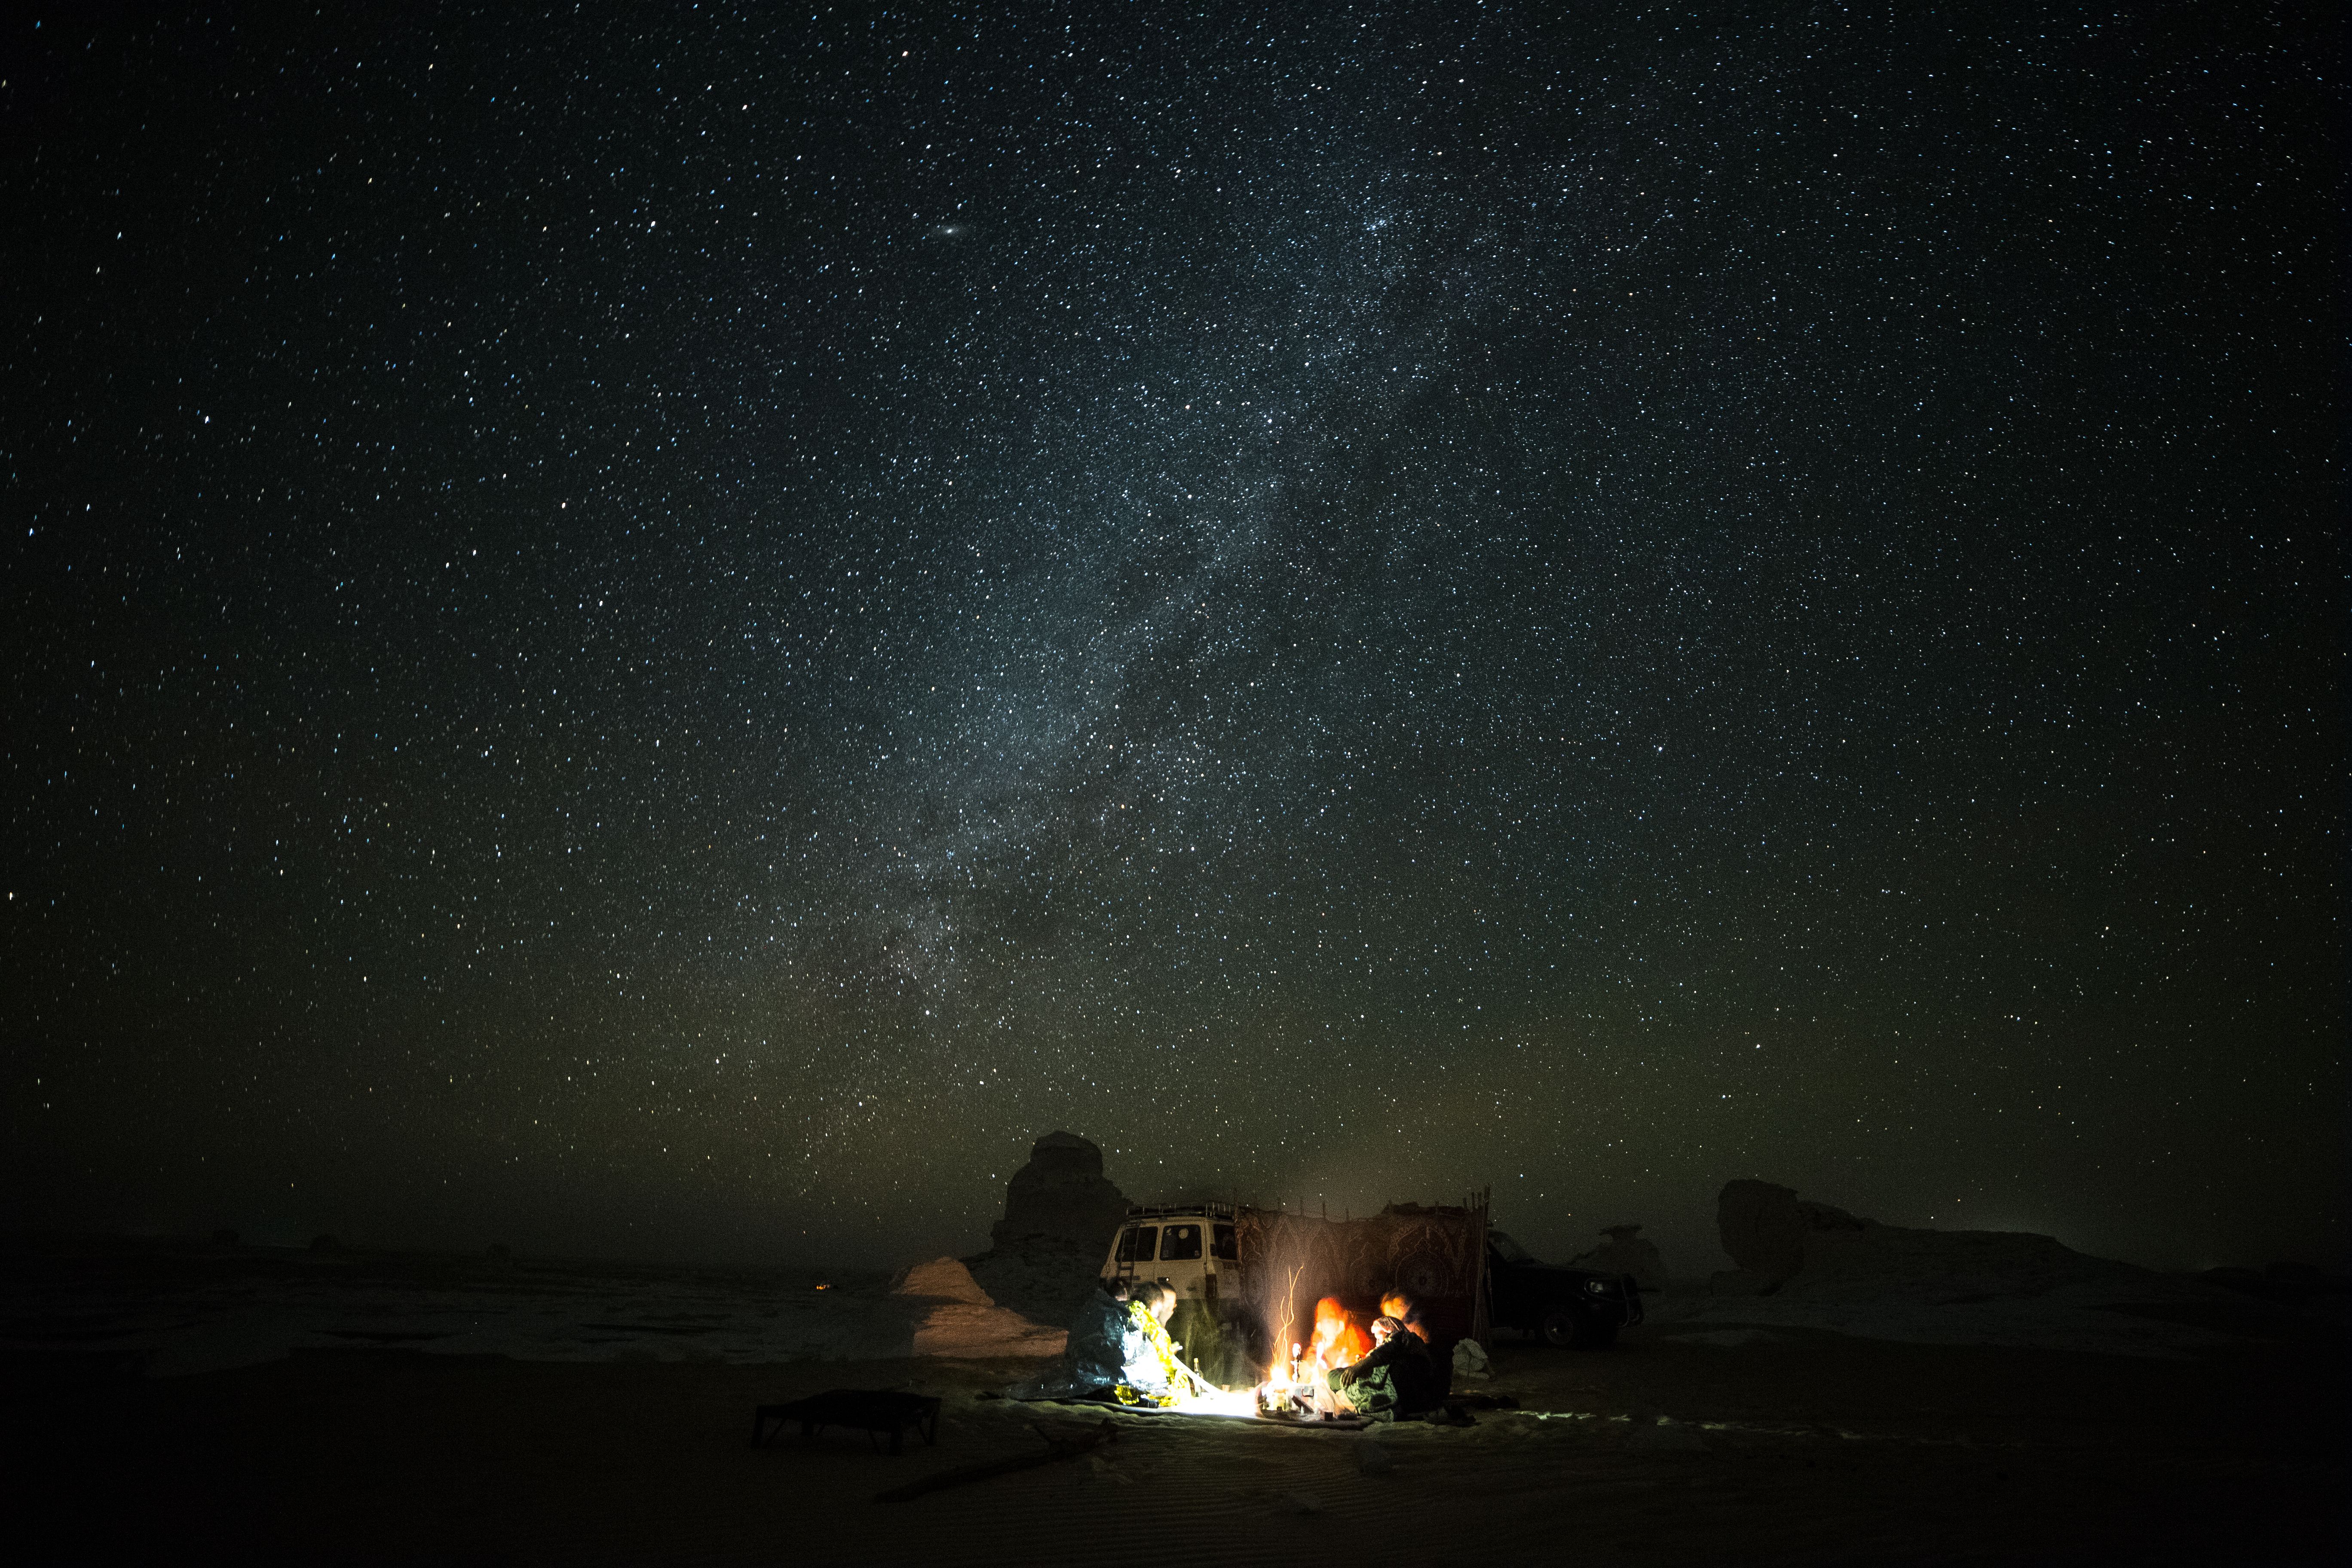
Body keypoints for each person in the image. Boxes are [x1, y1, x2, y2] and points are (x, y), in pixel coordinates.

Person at [1114, 1281, 1213, 1407]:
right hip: (1140, 1390)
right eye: (1164, 1305)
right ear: (1157, 1303)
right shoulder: (1151, 1325)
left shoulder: (1124, 1313)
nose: (1166, 1310)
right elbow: (1164, 1363)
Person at [1326, 1314, 1441, 1422]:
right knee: (1334, 1376)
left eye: (1380, 1337)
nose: (1378, 1342)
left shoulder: (1406, 1338)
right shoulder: (1391, 1351)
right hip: (1403, 1394)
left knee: (1335, 1378)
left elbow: (1388, 1349)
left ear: (1389, 1330)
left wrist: (1360, 1366)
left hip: (1404, 1387)